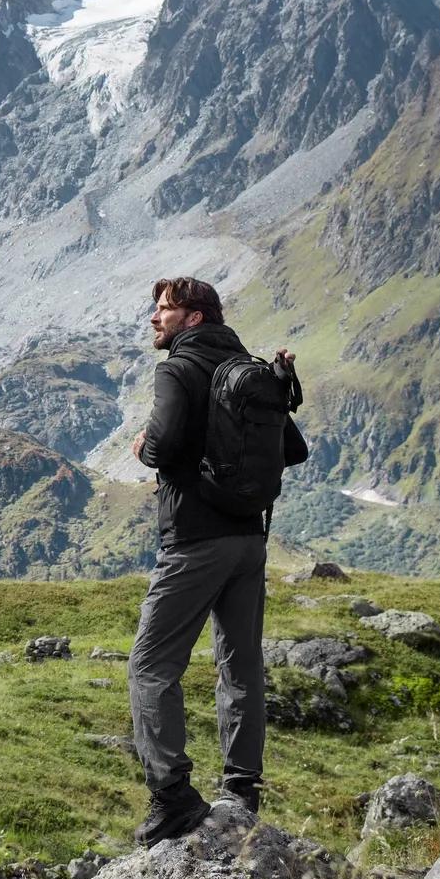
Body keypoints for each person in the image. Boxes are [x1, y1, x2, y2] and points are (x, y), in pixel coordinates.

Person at [126, 276, 307, 844]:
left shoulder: (178, 369)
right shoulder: (247, 370)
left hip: (194, 541)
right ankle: (241, 789)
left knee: (151, 666)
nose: (155, 318)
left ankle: (172, 794)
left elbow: (161, 446)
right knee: (240, 663)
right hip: (249, 540)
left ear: (194, 317)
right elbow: (294, 449)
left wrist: (144, 447)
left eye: (164, 309)